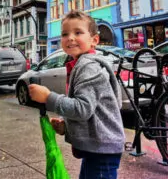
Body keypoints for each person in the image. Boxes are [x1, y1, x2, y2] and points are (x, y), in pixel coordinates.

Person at [29, 10, 125, 179]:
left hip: (101, 152)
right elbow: (93, 111)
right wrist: (67, 126)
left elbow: (82, 109)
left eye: (78, 32)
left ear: (94, 40)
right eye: (65, 34)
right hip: (97, 148)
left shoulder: (88, 67)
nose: (70, 38)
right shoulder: (82, 63)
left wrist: (48, 97)